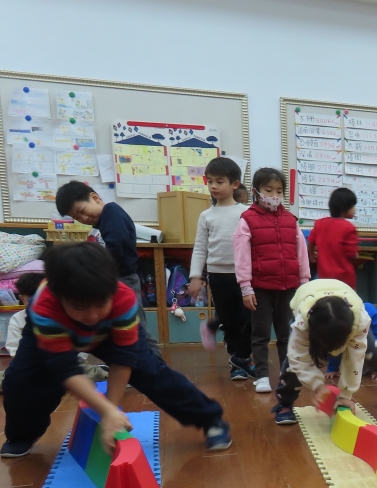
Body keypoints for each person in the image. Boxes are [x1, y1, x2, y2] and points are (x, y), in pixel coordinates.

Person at [1, 243, 231, 458]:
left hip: (110, 332)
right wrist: (107, 412)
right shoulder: (44, 306)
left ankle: (210, 419)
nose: (92, 315)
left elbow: (122, 360)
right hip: (54, 332)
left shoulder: (123, 299)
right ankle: (23, 434)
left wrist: (110, 411)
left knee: (152, 373)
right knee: (21, 380)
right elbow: (64, 368)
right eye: (79, 306)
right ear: (59, 297)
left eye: (100, 304)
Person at [55, 180, 161, 357]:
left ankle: (157, 367)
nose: (83, 219)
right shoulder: (102, 222)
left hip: (124, 280)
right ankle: (134, 366)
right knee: (121, 329)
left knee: (136, 328)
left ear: (95, 198)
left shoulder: (112, 213)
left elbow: (115, 248)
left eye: (82, 211)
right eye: (77, 218)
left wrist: (97, 273)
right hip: (114, 280)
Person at [272, 279, 377, 424]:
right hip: (308, 306)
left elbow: (355, 359)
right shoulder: (301, 326)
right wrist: (318, 386)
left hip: (349, 315)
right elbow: (298, 359)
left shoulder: (360, 321)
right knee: (292, 363)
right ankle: (284, 403)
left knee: (374, 352)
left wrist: (346, 395)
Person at [234, 167, 311, 394]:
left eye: (279, 191)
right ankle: (262, 376)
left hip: (288, 287)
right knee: (260, 334)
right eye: (269, 190)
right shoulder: (247, 219)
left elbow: (301, 253)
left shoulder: (290, 220)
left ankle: (288, 376)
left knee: (287, 334)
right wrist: (246, 287)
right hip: (260, 287)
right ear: (256, 192)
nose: (274, 195)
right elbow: (241, 255)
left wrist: (304, 283)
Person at [187, 157, 254, 381]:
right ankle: (237, 362)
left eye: (219, 181)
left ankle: (243, 356)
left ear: (235, 184)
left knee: (248, 319)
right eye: (210, 181)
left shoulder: (247, 213)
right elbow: (200, 248)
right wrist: (196, 276)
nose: (213, 186)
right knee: (229, 322)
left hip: (244, 276)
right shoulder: (206, 216)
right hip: (217, 276)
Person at [310, 187, 360, 288]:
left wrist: (311, 255)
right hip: (344, 281)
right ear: (344, 208)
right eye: (353, 206)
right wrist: (358, 256)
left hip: (324, 279)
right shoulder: (349, 227)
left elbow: (310, 242)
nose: (355, 210)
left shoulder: (319, 224)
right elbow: (352, 254)